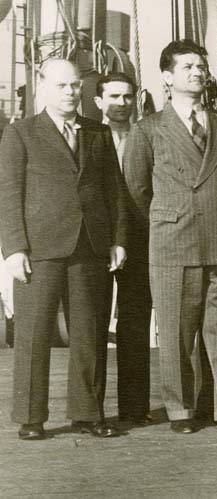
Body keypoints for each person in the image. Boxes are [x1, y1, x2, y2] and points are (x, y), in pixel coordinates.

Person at [124, 40, 217, 434]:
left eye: (201, 66)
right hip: (174, 244)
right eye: (187, 66)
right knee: (177, 334)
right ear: (167, 77)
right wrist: (172, 217)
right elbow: (137, 191)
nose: (197, 72)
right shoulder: (148, 129)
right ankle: (180, 410)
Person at [0, 59, 128, 439]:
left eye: (75, 86)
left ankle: (88, 414)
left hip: (90, 246)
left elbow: (115, 191)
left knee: (89, 333)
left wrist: (118, 240)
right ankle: (31, 418)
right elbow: (8, 194)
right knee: (33, 335)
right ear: (42, 87)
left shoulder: (98, 132)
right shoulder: (20, 133)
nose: (71, 93)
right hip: (39, 249)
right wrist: (14, 248)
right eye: (62, 86)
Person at [94, 71, 154, 426]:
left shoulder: (144, 136)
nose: (121, 103)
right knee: (94, 323)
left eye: (127, 96)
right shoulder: (88, 136)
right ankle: (92, 410)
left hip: (140, 238)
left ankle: (134, 407)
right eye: (113, 97)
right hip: (98, 240)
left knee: (134, 322)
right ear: (99, 101)